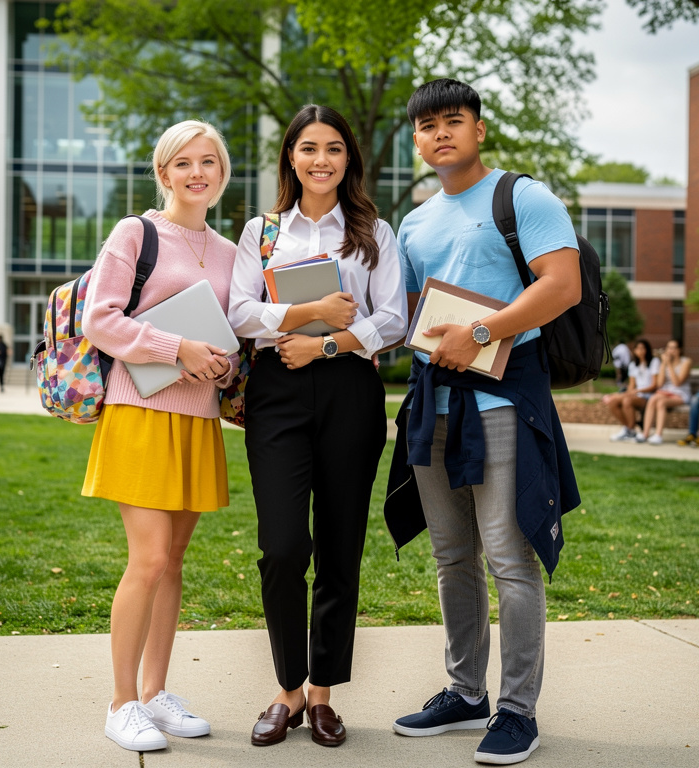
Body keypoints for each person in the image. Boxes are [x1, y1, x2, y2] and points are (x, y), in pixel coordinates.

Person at [389, 79, 580, 765]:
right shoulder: (413, 223)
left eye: (453, 121)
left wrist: (478, 329)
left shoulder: (521, 197)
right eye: (426, 126)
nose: (440, 134)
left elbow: (562, 284)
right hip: (431, 408)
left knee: (509, 556)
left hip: (501, 404)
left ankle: (518, 711)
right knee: (451, 557)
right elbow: (411, 318)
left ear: (479, 130)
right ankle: (465, 692)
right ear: (415, 140)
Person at [228, 104, 407, 749]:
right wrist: (308, 311)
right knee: (281, 548)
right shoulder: (262, 231)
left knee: (339, 547)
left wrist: (325, 344)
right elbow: (239, 311)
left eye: (334, 148)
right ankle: (287, 689)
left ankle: (324, 694)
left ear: (348, 159)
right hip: (276, 394)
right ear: (291, 158)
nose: (321, 159)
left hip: (349, 393)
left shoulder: (374, 233)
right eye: (309, 148)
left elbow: (393, 320)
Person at [81, 120, 237, 753]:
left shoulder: (230, 252)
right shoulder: (135, 233)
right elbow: (99, 319)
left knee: (173, 562)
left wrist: (223, 361)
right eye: (183, 163)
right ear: (163, 173)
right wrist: (179, 346)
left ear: (223, 172)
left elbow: (233, 335)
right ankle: (121, 704)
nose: (197, 173)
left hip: (198, 420)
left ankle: (155, 693)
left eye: (209, 162)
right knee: (146, 560)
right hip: (139, 413)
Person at [602, 338, 659, 442]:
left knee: (627, 400)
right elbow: (631, 386)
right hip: (636, 395)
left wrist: (637, 391)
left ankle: (630, 430)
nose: (640, 351)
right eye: (638, 348)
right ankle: (628, 429)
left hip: (648, 396)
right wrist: (624, 393)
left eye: (643, 348)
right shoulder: (633, 365)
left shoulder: (654, 362)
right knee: (612, 401)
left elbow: (654, 385)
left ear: (647, 350)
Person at [638, 339, 692, 445]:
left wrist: (669, 365)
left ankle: (658, 435)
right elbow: (660, 384)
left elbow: (677, 383)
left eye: (673, 348)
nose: (670, 351)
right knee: (653, 398)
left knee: (661, 403)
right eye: (668, 348)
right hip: (666, 392)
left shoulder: (686, 362)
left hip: (680, 393)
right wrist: (663, 364)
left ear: (679, 350)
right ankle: (645, 434)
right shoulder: (664, 362)